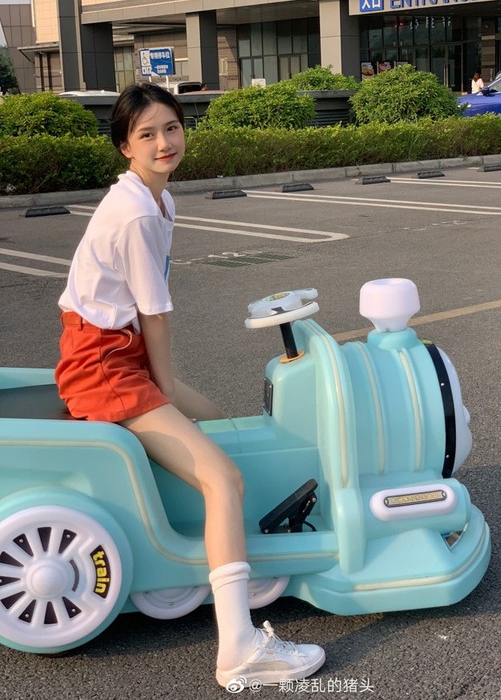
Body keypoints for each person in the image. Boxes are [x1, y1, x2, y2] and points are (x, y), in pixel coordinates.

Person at [54, 82, 325, 689]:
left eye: (171, 128)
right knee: (222, 476)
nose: (163, 143)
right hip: (104, 365)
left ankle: (225, 553)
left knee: (221, 424)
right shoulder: (135, 213)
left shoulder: (156, 200)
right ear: (124, 146)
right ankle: (239, 649)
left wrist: (167, 387)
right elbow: (154, 313)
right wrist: (165, 387)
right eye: (146, 134)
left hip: (114, 353)